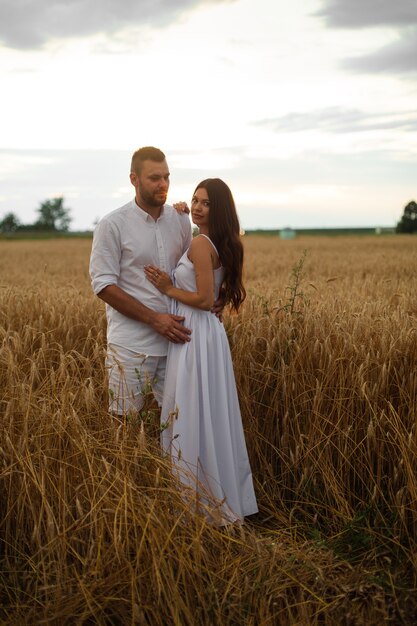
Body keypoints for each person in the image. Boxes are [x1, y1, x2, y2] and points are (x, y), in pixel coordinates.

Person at [145, 178, 258, 525]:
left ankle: (197, 507)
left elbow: (206, 299)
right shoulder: (221, 243)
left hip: (193, 333)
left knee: (190, 414)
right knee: (210, 415)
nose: (196, 207)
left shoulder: (199, 245)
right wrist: (177, 210)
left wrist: (167, 288)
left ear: (218, 208)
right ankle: (218, 497)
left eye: (205, 203)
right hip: (208, 334)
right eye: (194, 200)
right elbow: (215, 297)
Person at [89, 146, 193, 418]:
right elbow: (103, 285)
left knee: (177, 424)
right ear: (134, 179)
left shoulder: (180, 220)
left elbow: (190, 272)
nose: (163, 184)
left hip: (176, 342)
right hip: (130, 345)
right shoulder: (112, 225)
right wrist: (153, 319)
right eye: (154, 178)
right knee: (123, 424)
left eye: (167, 177)